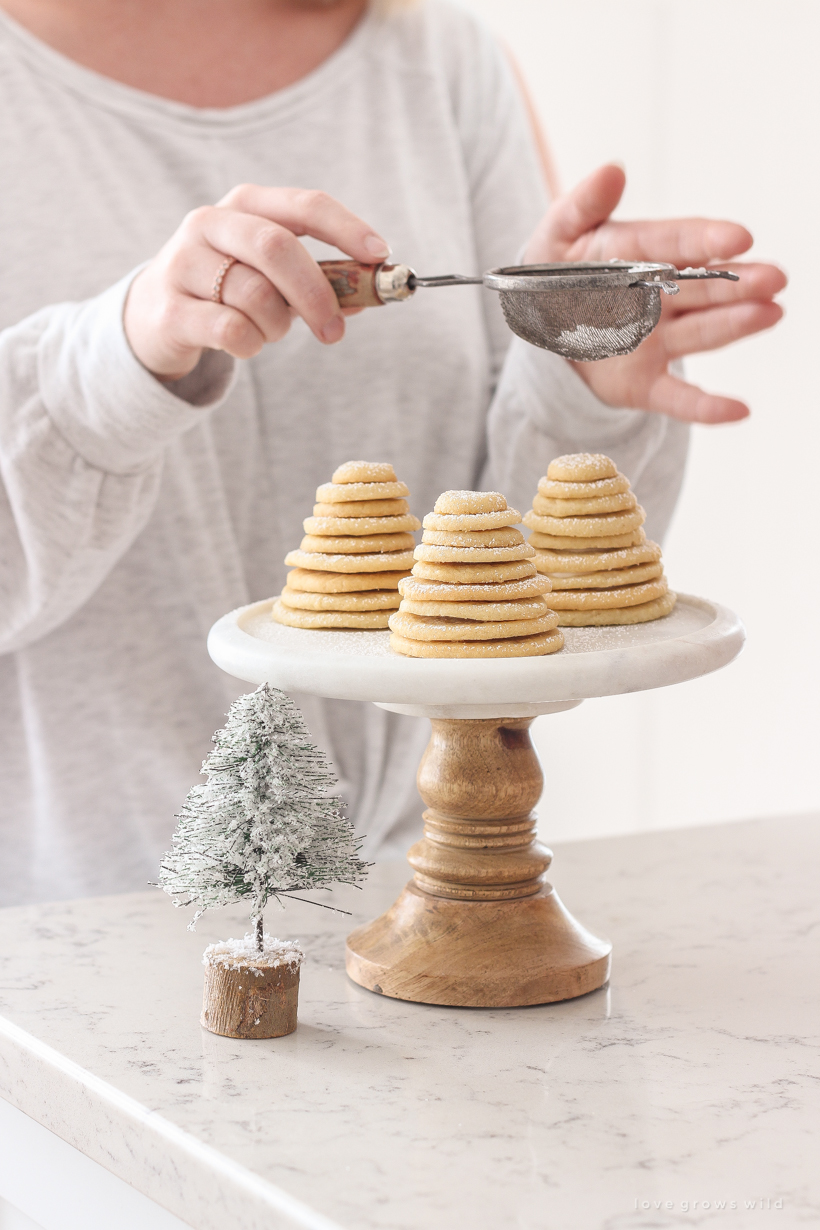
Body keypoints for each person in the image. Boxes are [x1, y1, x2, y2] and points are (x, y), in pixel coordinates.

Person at [0, 0, 785, 907]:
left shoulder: (442, 64)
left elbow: (510, 595)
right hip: (72, 950)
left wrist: (578, 396)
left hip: (422, 909)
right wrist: (119, 364)